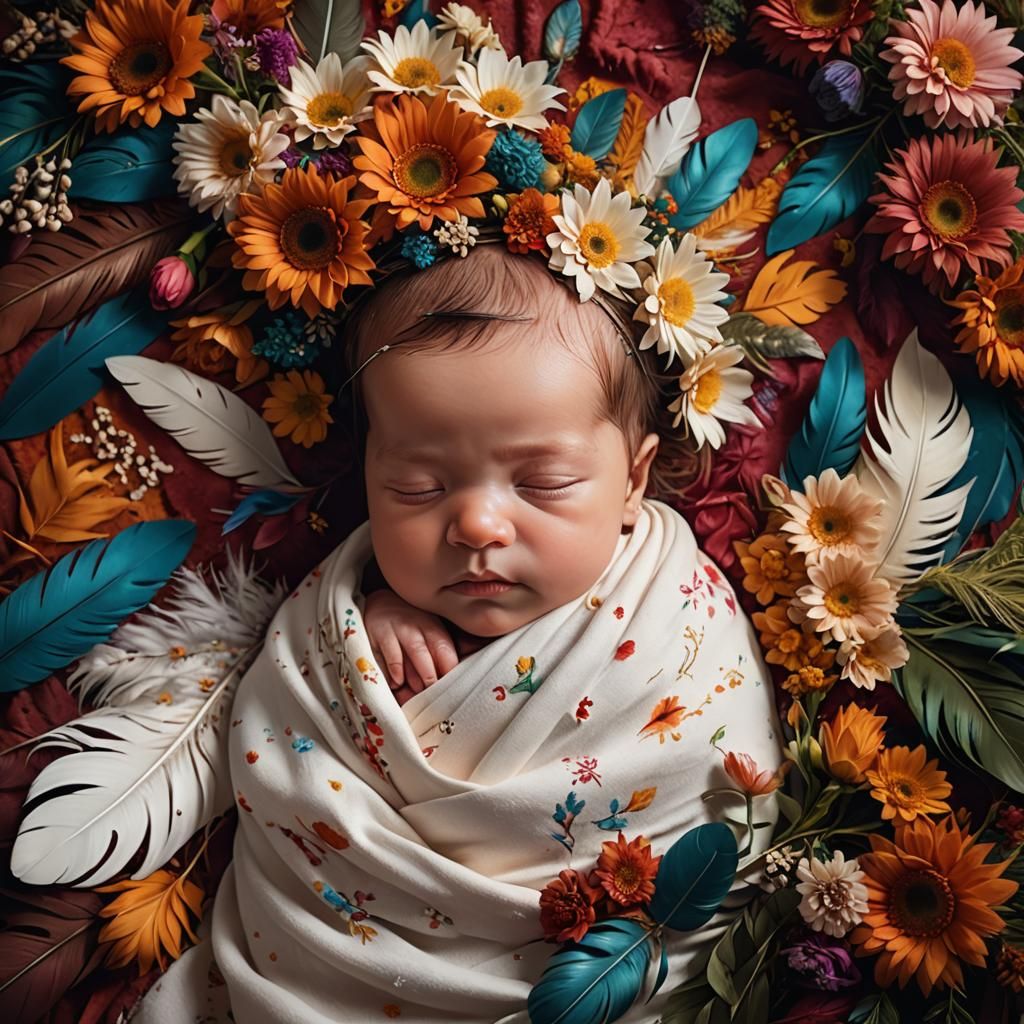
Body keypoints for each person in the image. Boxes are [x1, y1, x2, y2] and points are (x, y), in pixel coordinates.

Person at [133, 242, 783, 1024]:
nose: (476, 523)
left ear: (634, 480)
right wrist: (370, 627)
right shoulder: (341, 625)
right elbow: (295, 765)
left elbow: (716, 781)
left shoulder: (679, 614)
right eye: (417, 487)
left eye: (542, 482)